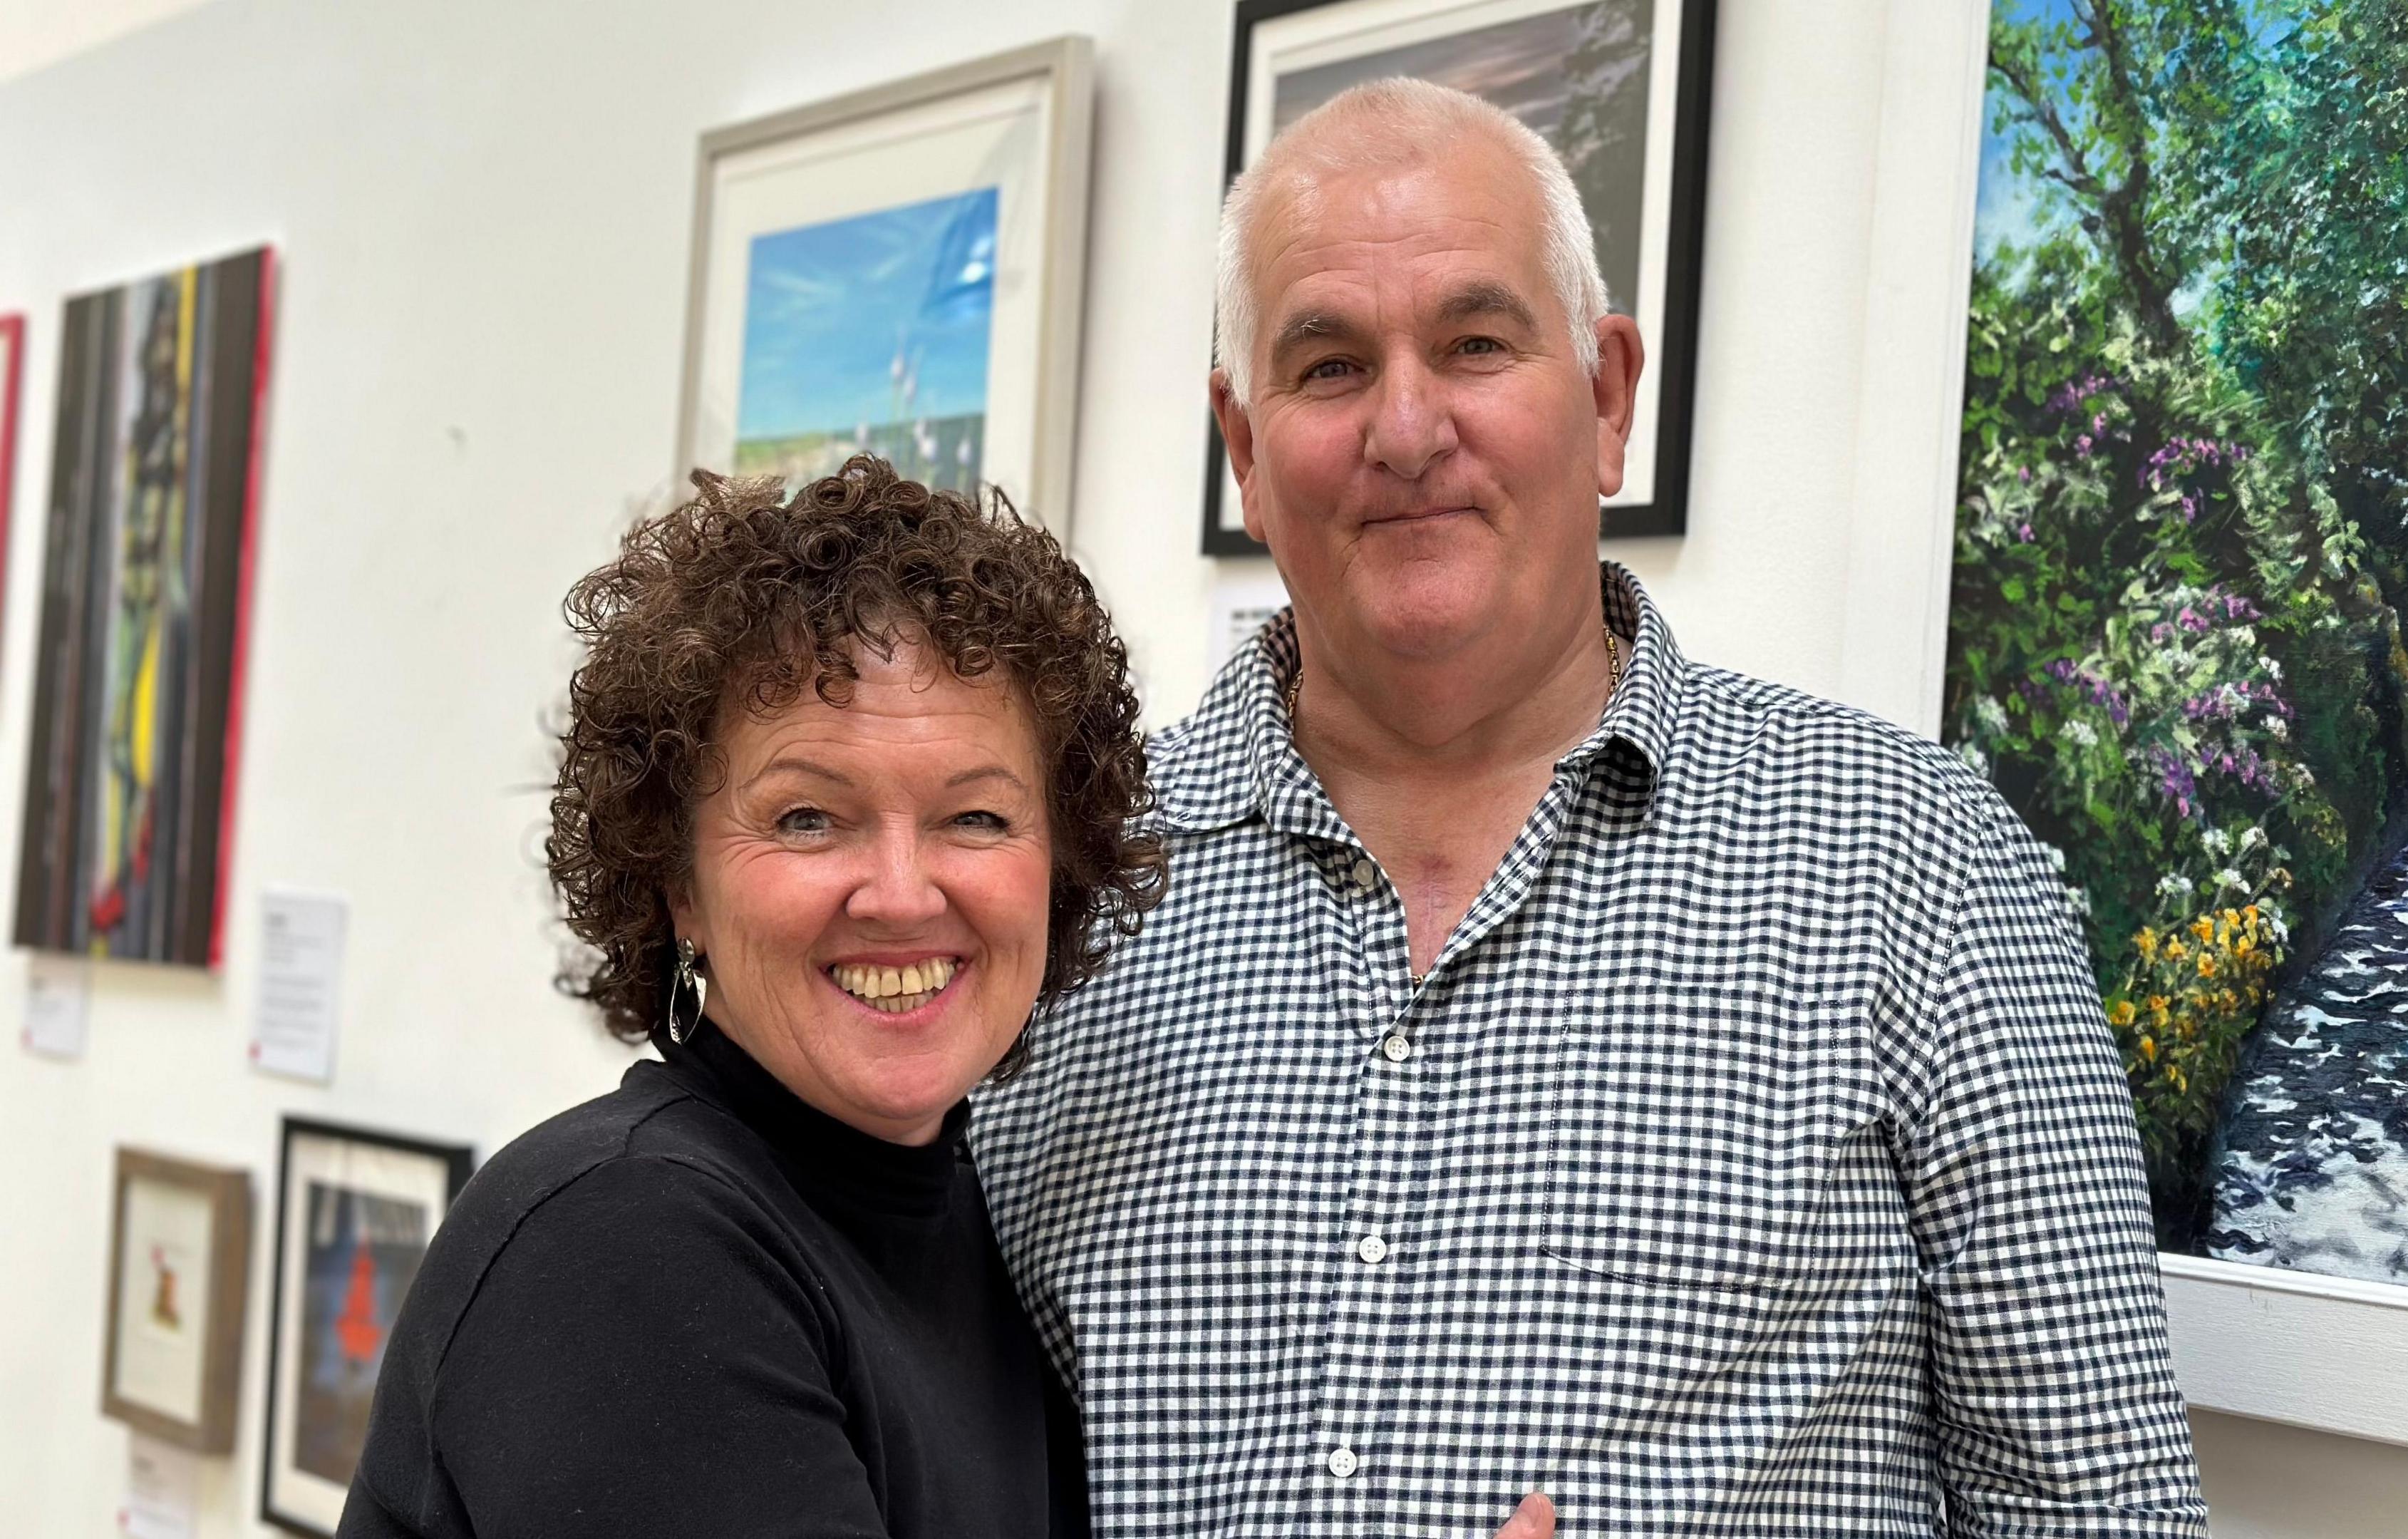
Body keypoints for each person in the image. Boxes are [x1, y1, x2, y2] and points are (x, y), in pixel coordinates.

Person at [969, 78, 2212, 1535]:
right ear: (1244, 448)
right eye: (1328, 367)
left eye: (1477, 343)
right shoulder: (1058, 888)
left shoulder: (1912, 862)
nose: (1409, 425)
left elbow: (2098, 1507)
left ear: (1609, 398)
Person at [339, 460, 1162, 1538]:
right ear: (680, 882)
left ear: (1059, 867)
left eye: (976, 819)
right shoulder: (623, 1242)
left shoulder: (964, 1232)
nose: (904, 894)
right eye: (810, 819)